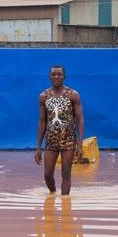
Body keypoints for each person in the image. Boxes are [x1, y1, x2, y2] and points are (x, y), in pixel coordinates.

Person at [34, 65, 84, 195]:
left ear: (64, 76)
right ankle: (53, 194)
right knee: (47, 174)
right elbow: (42, 121)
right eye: (54, 74)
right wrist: (38, 147)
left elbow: (80, 119)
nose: (56, 77)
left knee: (66, 173)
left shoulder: (73, 95)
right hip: (51, 141)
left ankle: (65, 203)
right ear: (49, 77)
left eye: (59, 74)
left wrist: (80, 145)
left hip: (68, 141)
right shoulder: (43, 96)